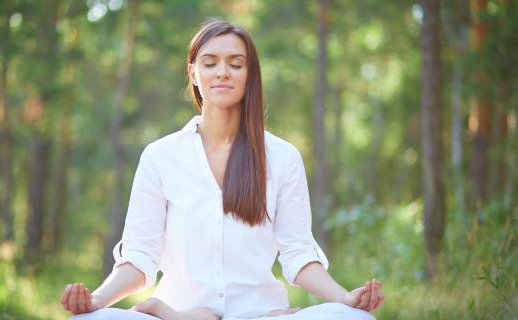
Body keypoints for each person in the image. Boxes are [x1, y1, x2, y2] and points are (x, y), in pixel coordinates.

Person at [61, 19, 384, 320]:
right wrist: (97, 301)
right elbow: (140, 255)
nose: (222, 72)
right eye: (210, 62)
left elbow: (297, 254)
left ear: (250, 74)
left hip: (260, 312)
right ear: (193, 73)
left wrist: (345, 298)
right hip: (180, 308)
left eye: (235, 64)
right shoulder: (161, 156)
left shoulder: (282, 157)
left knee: (353, 318)